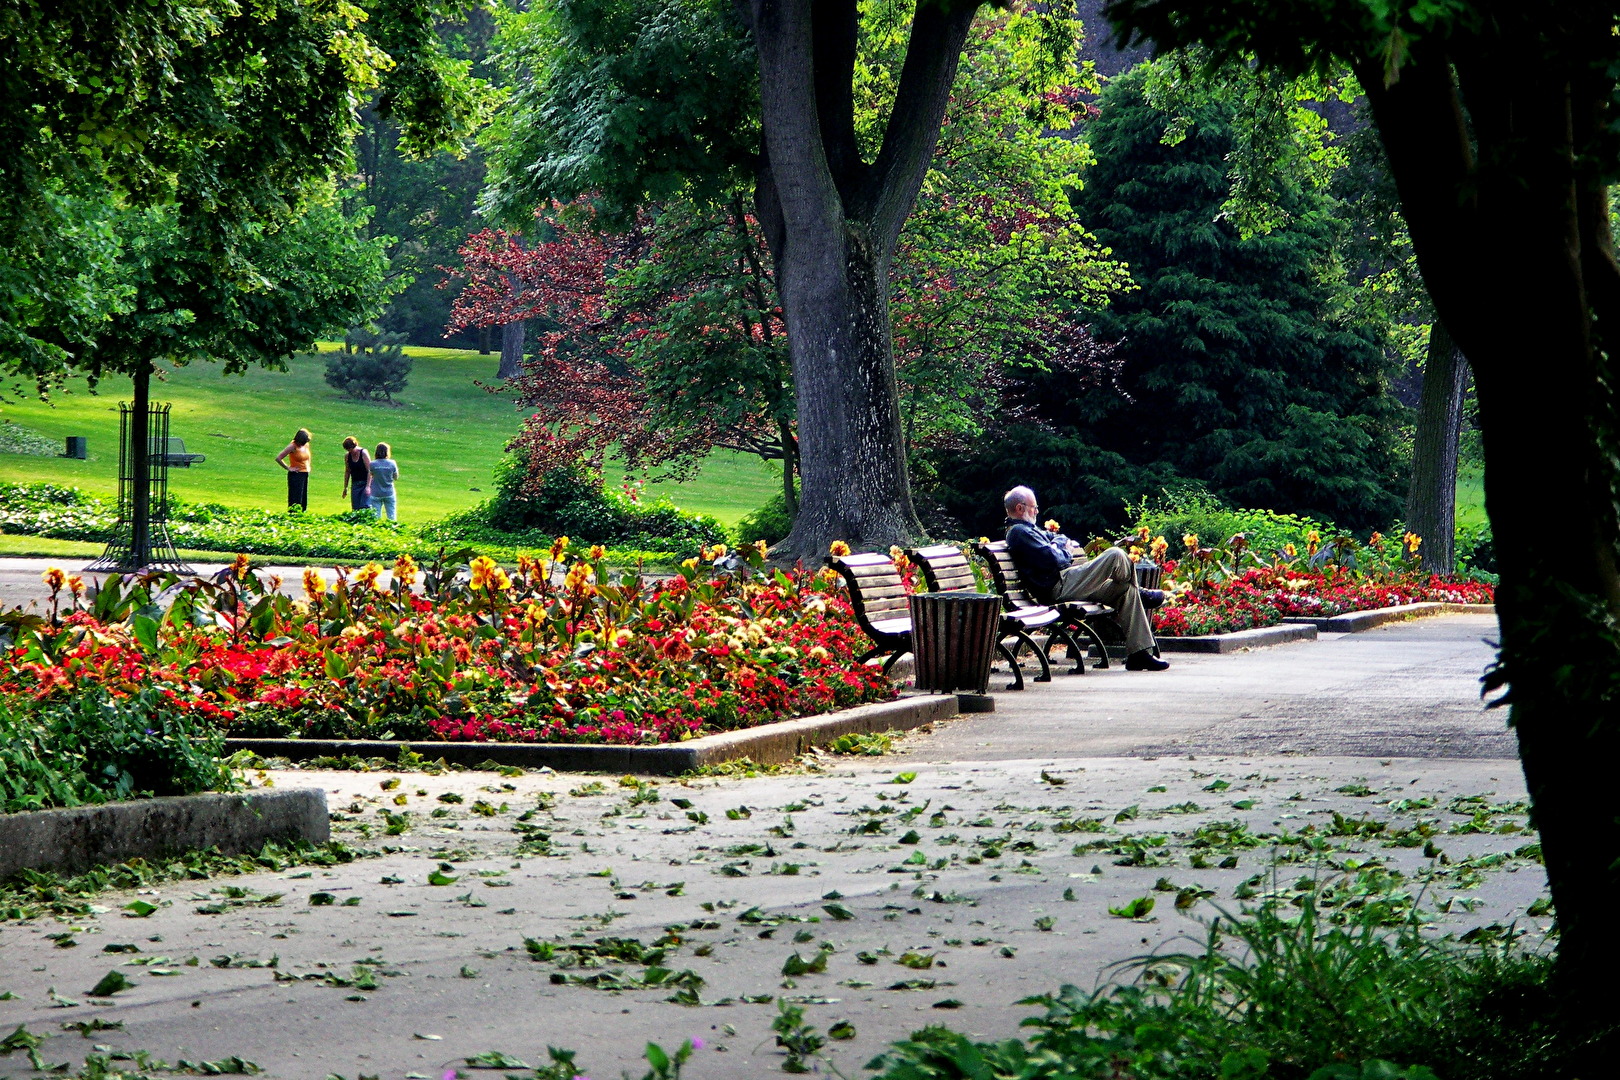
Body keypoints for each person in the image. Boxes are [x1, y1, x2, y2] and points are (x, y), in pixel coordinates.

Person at [1002, 485, 1169, 671]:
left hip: (1066, 581)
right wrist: (1063, 551)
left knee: (1126, 591)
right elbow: (1054, 559)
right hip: (1057, 587)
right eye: (1034, 507)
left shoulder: (1030, 530)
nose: (1037, 511)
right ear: (1020, 508)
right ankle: (1142, 592)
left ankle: (1139, 654)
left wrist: (1058, 545)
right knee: (1115, 555)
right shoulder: (1019, 533)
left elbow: (1060, 537)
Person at [274, 428, 312, 512]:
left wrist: (308, 466)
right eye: (302, 442)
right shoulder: (292, 446)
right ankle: (293, 514)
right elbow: (278, 458)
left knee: (303, 498)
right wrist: (288, 468)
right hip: (296, 474)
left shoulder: (306, 444)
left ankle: (302, 514)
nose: (303, 444)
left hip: (304, 473)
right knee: (296, 498)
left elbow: (307, 456)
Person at [367, 442, 399, 521]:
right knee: (392, 516)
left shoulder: (372, 464)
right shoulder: (392, 463)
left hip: (376, 492)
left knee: (376, 517)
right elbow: (396, 477)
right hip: (389, 492)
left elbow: (370, 476)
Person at [341, 436, 371, 512]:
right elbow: (347, 471)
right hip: (355, 484)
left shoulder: (363, 453)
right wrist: (345, 487)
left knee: (365, 506)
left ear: (354, 446)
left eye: (350, 449)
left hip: (365, 483)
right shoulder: (347, 456)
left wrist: (368, 486)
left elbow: (370, 470)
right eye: (347, 450)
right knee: (355, 507)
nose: (350, 451)